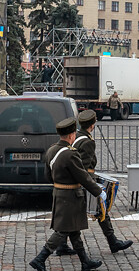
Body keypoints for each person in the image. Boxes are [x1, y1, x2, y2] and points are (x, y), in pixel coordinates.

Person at [28, 117, 106, 271]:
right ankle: (40, 259)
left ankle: (85, 261)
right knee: (63, 230)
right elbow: (82, 176)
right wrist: (98, 191)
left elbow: (48, 176)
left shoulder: (51, 151)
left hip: (59, 193)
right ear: (71, 135)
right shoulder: (70, 154)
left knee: (74, 229)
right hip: (71, 196)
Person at [52, 110, 132, 257]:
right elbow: (83, 166)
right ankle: (112, 241)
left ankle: (63, 245)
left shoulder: (77, 137)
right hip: (83, 180)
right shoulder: (87, 142)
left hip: (74, 180)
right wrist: (93, 186)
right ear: (93, 125)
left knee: (69, 215)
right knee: (101, 209)